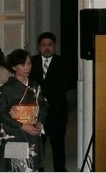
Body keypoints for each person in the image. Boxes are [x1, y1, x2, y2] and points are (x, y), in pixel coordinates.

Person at [0, 49, 48, 172]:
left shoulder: (35, 86)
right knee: (18, 166)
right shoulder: (7, 88)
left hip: (33, 131)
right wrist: (22, 125)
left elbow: (43, 105)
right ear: (14, 66)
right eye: (22, 64)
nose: (26, 67)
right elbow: (1, 113)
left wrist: (40, 122)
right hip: (15, 132)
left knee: (31, 165)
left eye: (29, 64)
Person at [29, 32, 72, 172]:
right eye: (43, 45)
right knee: (38, 144)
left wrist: (46, 97)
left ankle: (60, 170)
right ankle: (38, 169)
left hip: (57, 111)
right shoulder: (30, 62)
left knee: (57, 144)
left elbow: (66, 84)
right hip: (36, 112)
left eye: (50, 45)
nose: (47, 48)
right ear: (38, 47)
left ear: (55, 46)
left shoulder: (63, 62)